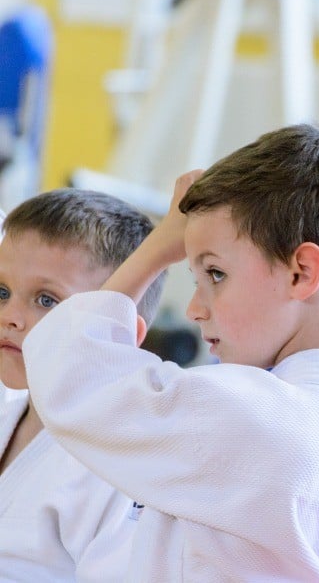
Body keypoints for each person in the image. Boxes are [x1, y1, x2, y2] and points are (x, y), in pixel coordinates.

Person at [24, 123, 319, 581]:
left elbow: (69, 367)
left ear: (301, 273)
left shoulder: (248, 412)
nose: (195, 308)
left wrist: (161, 244)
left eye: (216, 274)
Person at [0, 188, 164, 581]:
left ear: (119, 331)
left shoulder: (118, 468)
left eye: (46, 300)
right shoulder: (8, 413)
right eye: (2, 292)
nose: (11, 317)